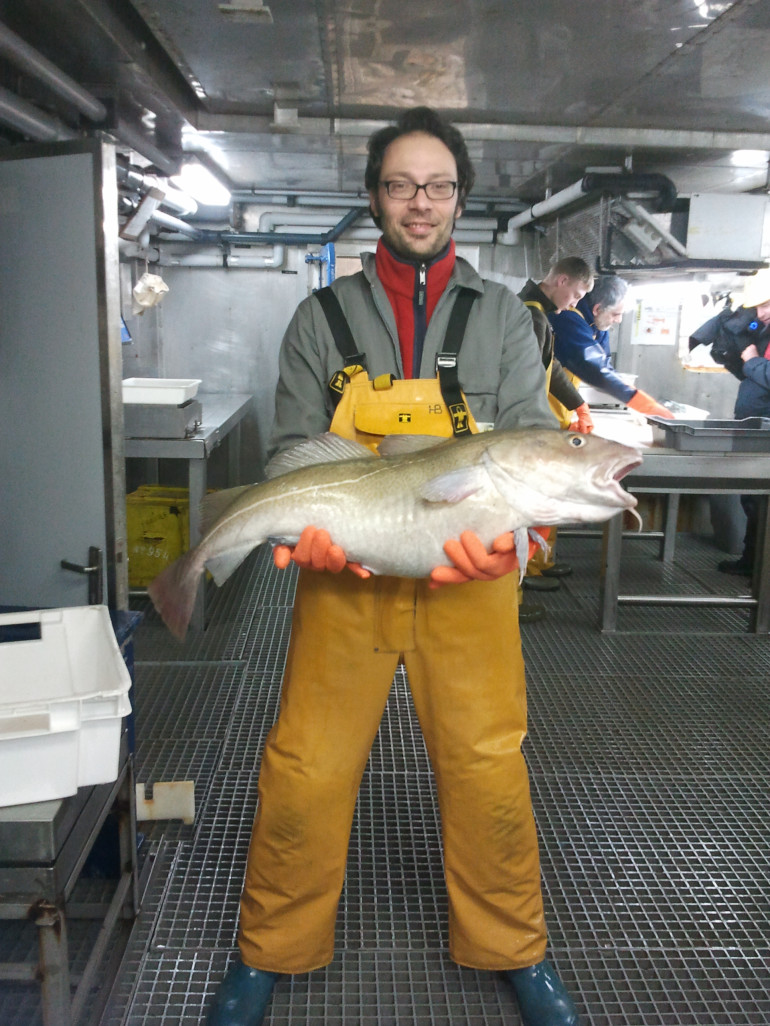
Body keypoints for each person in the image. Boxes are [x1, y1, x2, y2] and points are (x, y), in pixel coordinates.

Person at [205, 106, 580, 1026]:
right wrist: (308, 540)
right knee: (306, 766)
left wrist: (514, 538)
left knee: (489, 766)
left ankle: (514, 947)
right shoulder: (319, 317)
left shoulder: (504, 318)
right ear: (375, 196)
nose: (422, 202)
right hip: (349, 580)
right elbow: (294, 449)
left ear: (461, 196)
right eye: (403, 184)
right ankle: (270, 949)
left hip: (471, 585)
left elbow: (533, 448)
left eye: (440, 185)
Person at [516, 258, 595, 609]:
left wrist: (579, 404)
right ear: (561, 280)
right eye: (576, 294)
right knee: (524, 507)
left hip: (533, 423)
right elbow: (525, 380)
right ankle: (517, 587)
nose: (575, 303)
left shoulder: (539, 314)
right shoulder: (529, 314)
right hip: (525, 426)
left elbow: (551, 366)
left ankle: (528, 572)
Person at [548, 275, 673, 419]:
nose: (619, 320)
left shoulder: (598, 325)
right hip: (543, 409)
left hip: (563, 409)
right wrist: (644, 404)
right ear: (597, 309)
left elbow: (605, 366)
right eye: (616, 314)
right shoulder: (567, 318)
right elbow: (594, 367)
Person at [715, 269, 770, 577]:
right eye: (757, 307)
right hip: (756, 425)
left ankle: (759, 568)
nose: (760, 314)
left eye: (766, 305)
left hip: (766, 428)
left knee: (761, 497)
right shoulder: (764, 332)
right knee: (754, 497)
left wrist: (752, 362)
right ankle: (753, 562)